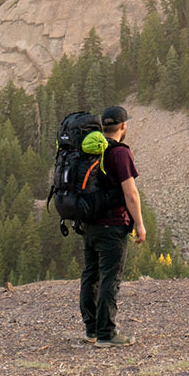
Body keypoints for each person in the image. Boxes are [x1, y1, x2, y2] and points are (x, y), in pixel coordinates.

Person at [80, 105, 145, 348]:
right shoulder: (120, 153)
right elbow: (131, 194)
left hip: (89, 223)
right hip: (113, 225)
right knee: (110, 277)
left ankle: (92, 329)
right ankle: (107, 333)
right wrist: (139, 224)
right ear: (123, 126)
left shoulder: (89, 149)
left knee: (90, 274)